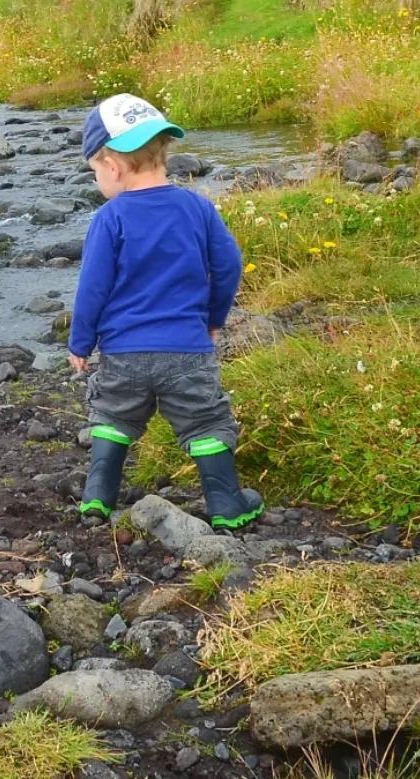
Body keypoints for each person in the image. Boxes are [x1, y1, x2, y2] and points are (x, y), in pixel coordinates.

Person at [66, 93, 263, 531]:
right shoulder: (197, 207)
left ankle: (97, 498)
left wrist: (81, 342)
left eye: (95, 170)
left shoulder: (109, 218)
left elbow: (92, 287)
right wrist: (213, 320)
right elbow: (228, 265)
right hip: (186, 352)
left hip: (123, 355)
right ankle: (227, 502)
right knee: (206, 419)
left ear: (112, 167)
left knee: (115, 414)